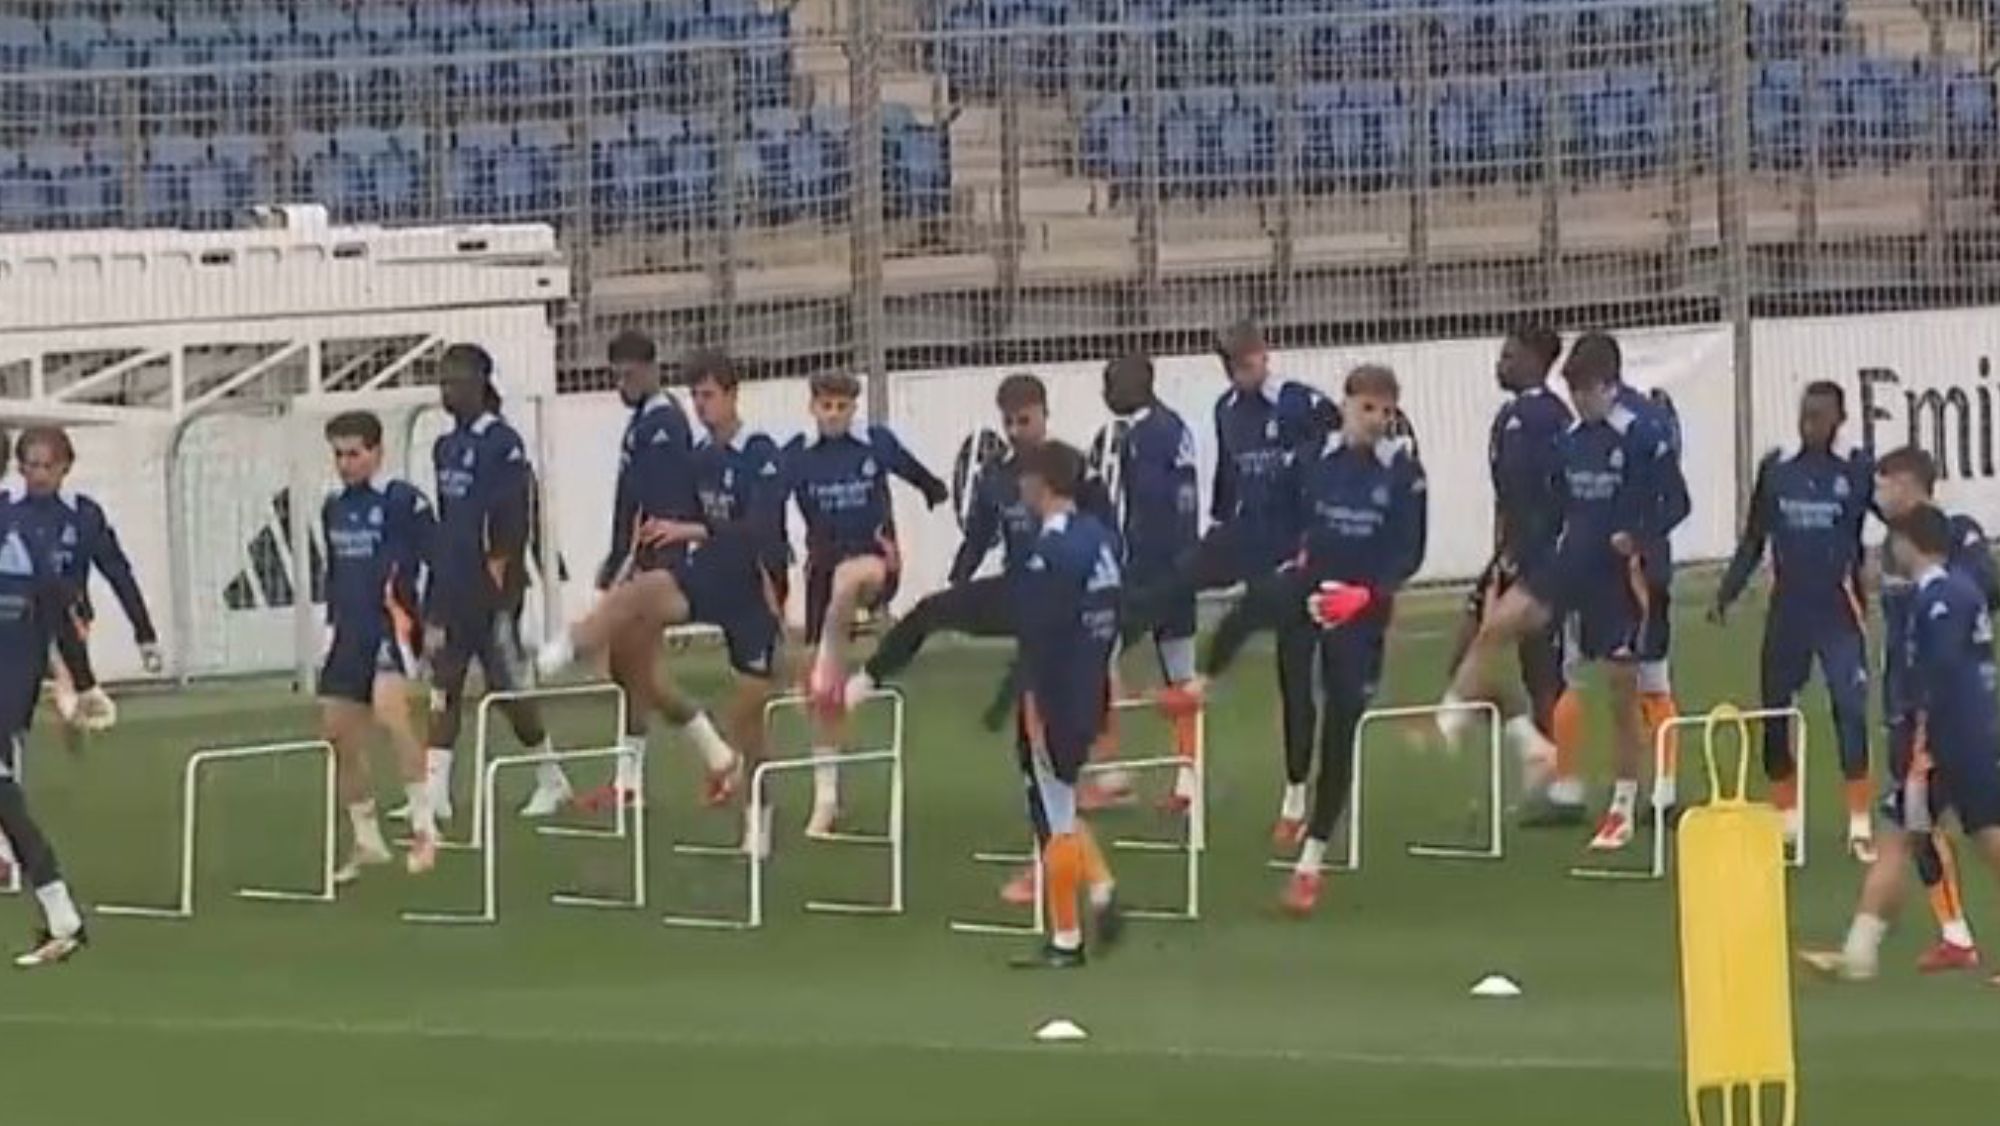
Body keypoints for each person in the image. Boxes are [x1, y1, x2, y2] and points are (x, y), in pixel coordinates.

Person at [1440, 332, 1690, 852]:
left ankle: (1623, 803)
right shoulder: (1572, 438)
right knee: (1497, 623)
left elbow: (1677, 503)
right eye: (1573, 392)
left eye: (1587, 392)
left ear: (1610, 386)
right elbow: (1556, 502)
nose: (1579, 403)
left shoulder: (1643, 433)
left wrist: (1638, 537)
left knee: (1624, 692)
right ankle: (1500, 730)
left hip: (1623, 577)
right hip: (1569, 564)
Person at [1200, 364, 1428, 915]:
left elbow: (1408, 552)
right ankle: (1202, 681)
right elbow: (1282, 514)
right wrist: (1292, 556)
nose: (1375, 419)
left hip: (1359, 606)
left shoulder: (1403, 474)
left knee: (1341, 725)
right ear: (1347, 405)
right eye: (1366, 407)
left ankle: (1312, 859)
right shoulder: (1313, 460)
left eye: (1384, 410)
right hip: (1311, 585)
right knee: (1257, 610)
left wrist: (1368, 597)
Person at [534, 331, 740, 811]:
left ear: (651, 369)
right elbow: (630, 503)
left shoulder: (663, 424)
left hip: (663, 564)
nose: (622, 383)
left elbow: (660, 507)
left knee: (633, 668)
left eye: (629, 374)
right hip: (641, 559)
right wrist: (614, 556)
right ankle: (712, 758)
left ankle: (566, 649)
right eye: (616, 375)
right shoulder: (644, 422)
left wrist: (640, 565)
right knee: (635, 672)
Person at [1801, 505, 2000, 982]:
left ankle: (1860, 953)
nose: (1889, 549)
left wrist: (1924, 736)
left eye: (1894, 540)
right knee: (1897, 835)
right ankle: (1858, 953)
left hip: (1956, 740)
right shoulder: (1942, 593)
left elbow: (1945, 670)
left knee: (1987, 841)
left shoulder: (1943, 597)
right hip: (1955, 737)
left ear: (1911, 542)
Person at [1710, 382, 1874, 861]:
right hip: (1789, 610)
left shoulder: (1856, 473)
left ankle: (1859, 822)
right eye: (1805, 414)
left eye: (1820, 416)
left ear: (1839, 420)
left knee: (1849, 706)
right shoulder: (1778, 470)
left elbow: (1896, 517)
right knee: (1776, 711)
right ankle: (1786, 819)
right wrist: (1727, 593)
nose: (1809, 423)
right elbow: (1753, 539)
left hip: (1840, 609)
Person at [780, 370, 948, 836]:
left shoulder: (875, 444)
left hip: (876, 561)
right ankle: (827, 798)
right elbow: (768, 500)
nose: (833, 414)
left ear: (853, 408)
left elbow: (914, 471)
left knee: (850, 578)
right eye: (825, 406)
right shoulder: (798, 457)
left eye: (841, 406)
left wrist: (934, 488)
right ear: (813, 408)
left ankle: (833, 670)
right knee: (820, 693)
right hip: (822, 572)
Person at [413, 343, 569, 825]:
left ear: (480, 382)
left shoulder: (502, 443)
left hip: (493, 586)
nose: (446, 390)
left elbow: (515, 507)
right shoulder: (446, 447)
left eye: (455, 380)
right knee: (444, 681)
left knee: (505, 684)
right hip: (452, 582)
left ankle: (550, 776)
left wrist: (503, 563)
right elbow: (450, 519)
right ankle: (435, 791)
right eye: (442, 380)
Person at [1450, 327, 1582, 827]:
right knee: (1473, 645)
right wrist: (1499, 557)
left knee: (1544, 670)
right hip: (1511, 557)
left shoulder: (1552, 419)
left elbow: (1560, 495)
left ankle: (1560, 783)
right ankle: (1533, 751)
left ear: (1534, 360)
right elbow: (1506, 499)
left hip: (1545, 560)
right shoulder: (1509, 418)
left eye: (1509, 355)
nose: (1499, 363)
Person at [1867, 446, 1988, 970]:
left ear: (1910, 482)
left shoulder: (1951, 552)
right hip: (1914, 707)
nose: (1879, 492)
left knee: (1946, 825)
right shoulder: (1900, 556)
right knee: (1915, 825)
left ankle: (1860, 949)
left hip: (1950, 717)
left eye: (1886, 482)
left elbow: (1975, 604)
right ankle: (1953, 934)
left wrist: (1926, 722)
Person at [1007, 440, 1125, 969]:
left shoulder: (1051, 550)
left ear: (1042, 484)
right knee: (1063, 804)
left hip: (1058, 691)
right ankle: (1098, 890)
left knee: (1054, 811)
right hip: (1091, 683)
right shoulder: (1101, 538)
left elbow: (1042, 632)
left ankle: (1067, 938)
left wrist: (1033, 702)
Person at [316, 410, 440, 882]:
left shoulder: (401, 501)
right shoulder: (334, 508)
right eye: (339, 455)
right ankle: (367, 842)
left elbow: (438, 558)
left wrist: (432, 621)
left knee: (393, 718)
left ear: (376, 453)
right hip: (349, 631)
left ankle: (425, 829)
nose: (345, 464)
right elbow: (334, 570)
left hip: (391, 627)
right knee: (338, 736)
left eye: (354, 453)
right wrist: (332, 624)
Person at [685, 350, 788, 857]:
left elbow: (761, 528)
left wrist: (702, 531)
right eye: (695, 397)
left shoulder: (760, 453)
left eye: (708, 395)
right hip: (717, 589)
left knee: (749, 713)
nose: (701, 406)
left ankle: (759, 816)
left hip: (758, 594)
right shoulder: (701, 458)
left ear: (731, 395)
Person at [0, 438, 91, 967]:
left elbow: (54, 608)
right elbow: (56, 606)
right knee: (7, 805)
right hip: (13, 687)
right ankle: (63, 921)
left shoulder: (16, 528)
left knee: (8, 806)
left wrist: (80, 679)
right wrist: (83, 678)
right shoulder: (23, 530)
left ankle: (65, 920)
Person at [10, 426, 163, 739]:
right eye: (32, 466)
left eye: (48, 467)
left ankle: (72, 691)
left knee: (57, 606)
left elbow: (118, 572)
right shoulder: (6, 510)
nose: (39, 476)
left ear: (66, 467)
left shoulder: (84, 515)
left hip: (68, 622)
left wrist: (144, 633)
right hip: (14, 621)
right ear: (20, 467)